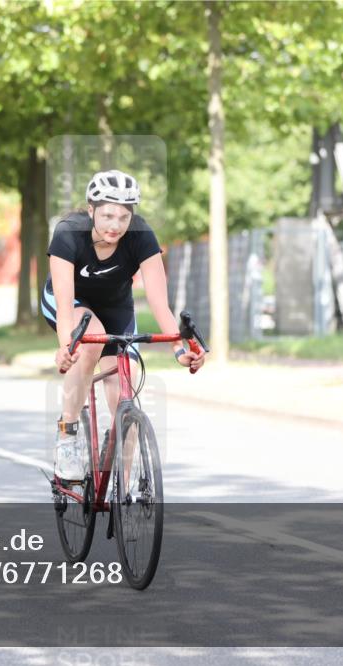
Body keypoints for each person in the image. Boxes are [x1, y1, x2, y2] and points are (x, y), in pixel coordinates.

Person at [41, 169, 205, 480]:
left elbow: (159, 303)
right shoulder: (68, 233)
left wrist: (178, 349)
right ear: (91, 210)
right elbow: (64, 304)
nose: (115, 225)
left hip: (116, 307)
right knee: (91, 340)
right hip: (71, 304)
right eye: (107, 215)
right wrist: (66, 347)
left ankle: (122, 490)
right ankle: (67, 434)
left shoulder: (141, 236)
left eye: (123, 217)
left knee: (124, 397)